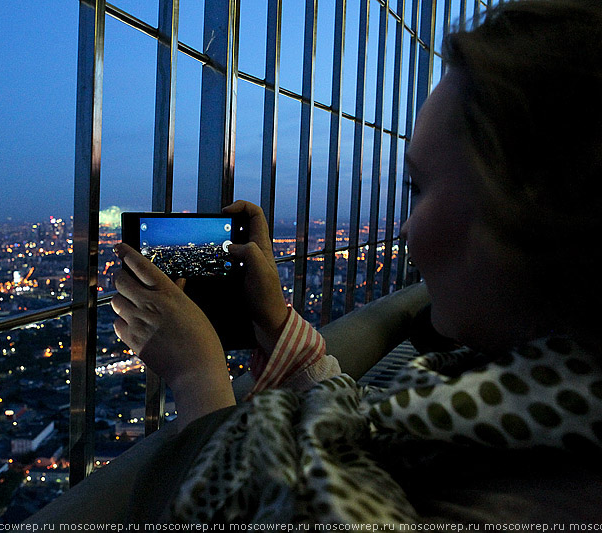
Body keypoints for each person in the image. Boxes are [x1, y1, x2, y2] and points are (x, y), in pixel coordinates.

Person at [30, 0, 602, 524]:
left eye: (420, 187)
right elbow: (356, 427)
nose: (404, 229)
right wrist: (273, 319)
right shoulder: (535, 427)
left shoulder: (516, 498)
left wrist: (195, 374)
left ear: (532, 212)